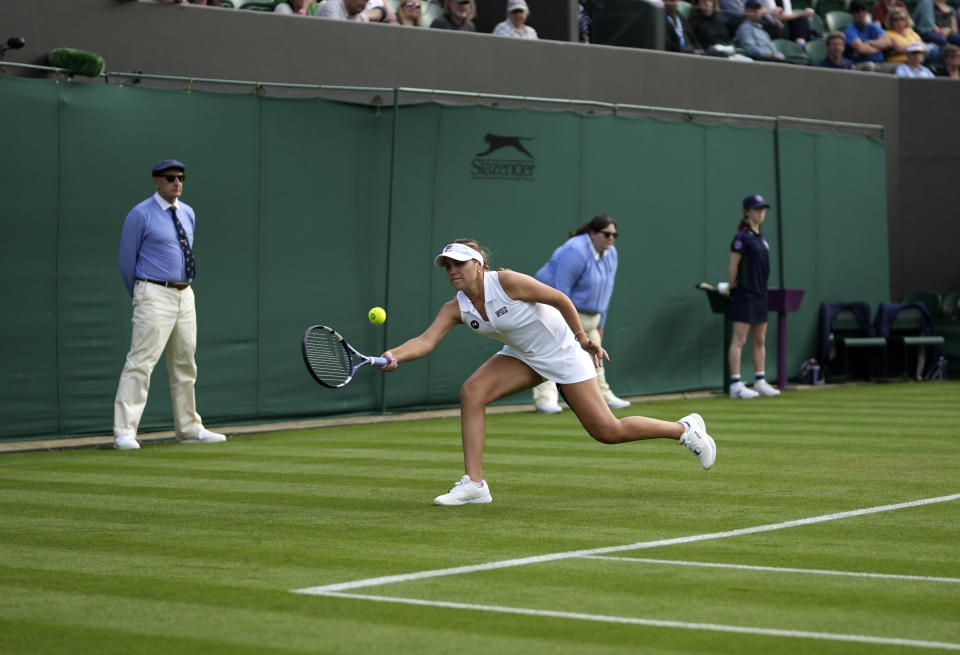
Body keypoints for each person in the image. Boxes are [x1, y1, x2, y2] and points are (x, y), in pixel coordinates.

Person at [377, 239, 717, 506]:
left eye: (459, 263)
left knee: (607, 431)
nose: (452, 270)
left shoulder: (507, 282)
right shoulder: (456, 307)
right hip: (524, 355)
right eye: (447, 266)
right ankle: (475, 485)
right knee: (472, 392)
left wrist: (583, 340)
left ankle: (685, 429)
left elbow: (560, 299)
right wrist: (394, 355)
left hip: (564, 352)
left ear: (478, 266)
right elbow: (425, 341)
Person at [113, 160, 227, 450]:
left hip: (185, 294)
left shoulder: (187, 212)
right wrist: (143, 294)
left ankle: (189, 428)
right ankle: (124, 432)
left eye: (181, 178)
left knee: (185, 363)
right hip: (153, 291)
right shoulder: (140, 215)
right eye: (170, 178)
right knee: (141, 362)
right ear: (156, 182)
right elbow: (127, 261)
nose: (177, 183)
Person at [532, 215, 631, 413]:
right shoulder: (574, 250)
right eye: (607, 234)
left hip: (590, 317)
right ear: (592, 234)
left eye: (614, 235)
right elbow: (561, 291)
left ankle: (603, 395)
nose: (611, 238)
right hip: (556, 311)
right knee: (551, 353)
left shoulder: (611, 253)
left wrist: (600, 322)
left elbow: (606, 289)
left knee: (596, 356)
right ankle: (545, 399)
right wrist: (566, 323)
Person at [725, 194, 779, 399]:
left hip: (760, 294)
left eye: (763, 209)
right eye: (757, 209)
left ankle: (760, 380)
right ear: (747, 212)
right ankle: (736, 384)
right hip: (745, 295)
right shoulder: (741, 237)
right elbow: (733, 268)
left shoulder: (760, 237)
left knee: (760, 339)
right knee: (739, 340)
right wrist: (733, 288)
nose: (761, 212)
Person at [845, 0, 893, 71]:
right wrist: (881, 47)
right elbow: (862, 49)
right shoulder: (850, 30)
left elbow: (888, 42)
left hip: (881, 63)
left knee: (899, 67)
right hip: (861, 64)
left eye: (863, 10)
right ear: (853, 14)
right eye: (858, 11)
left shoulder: (873, 27)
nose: (861, 13)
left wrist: (869, 42)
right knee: (870, 66)